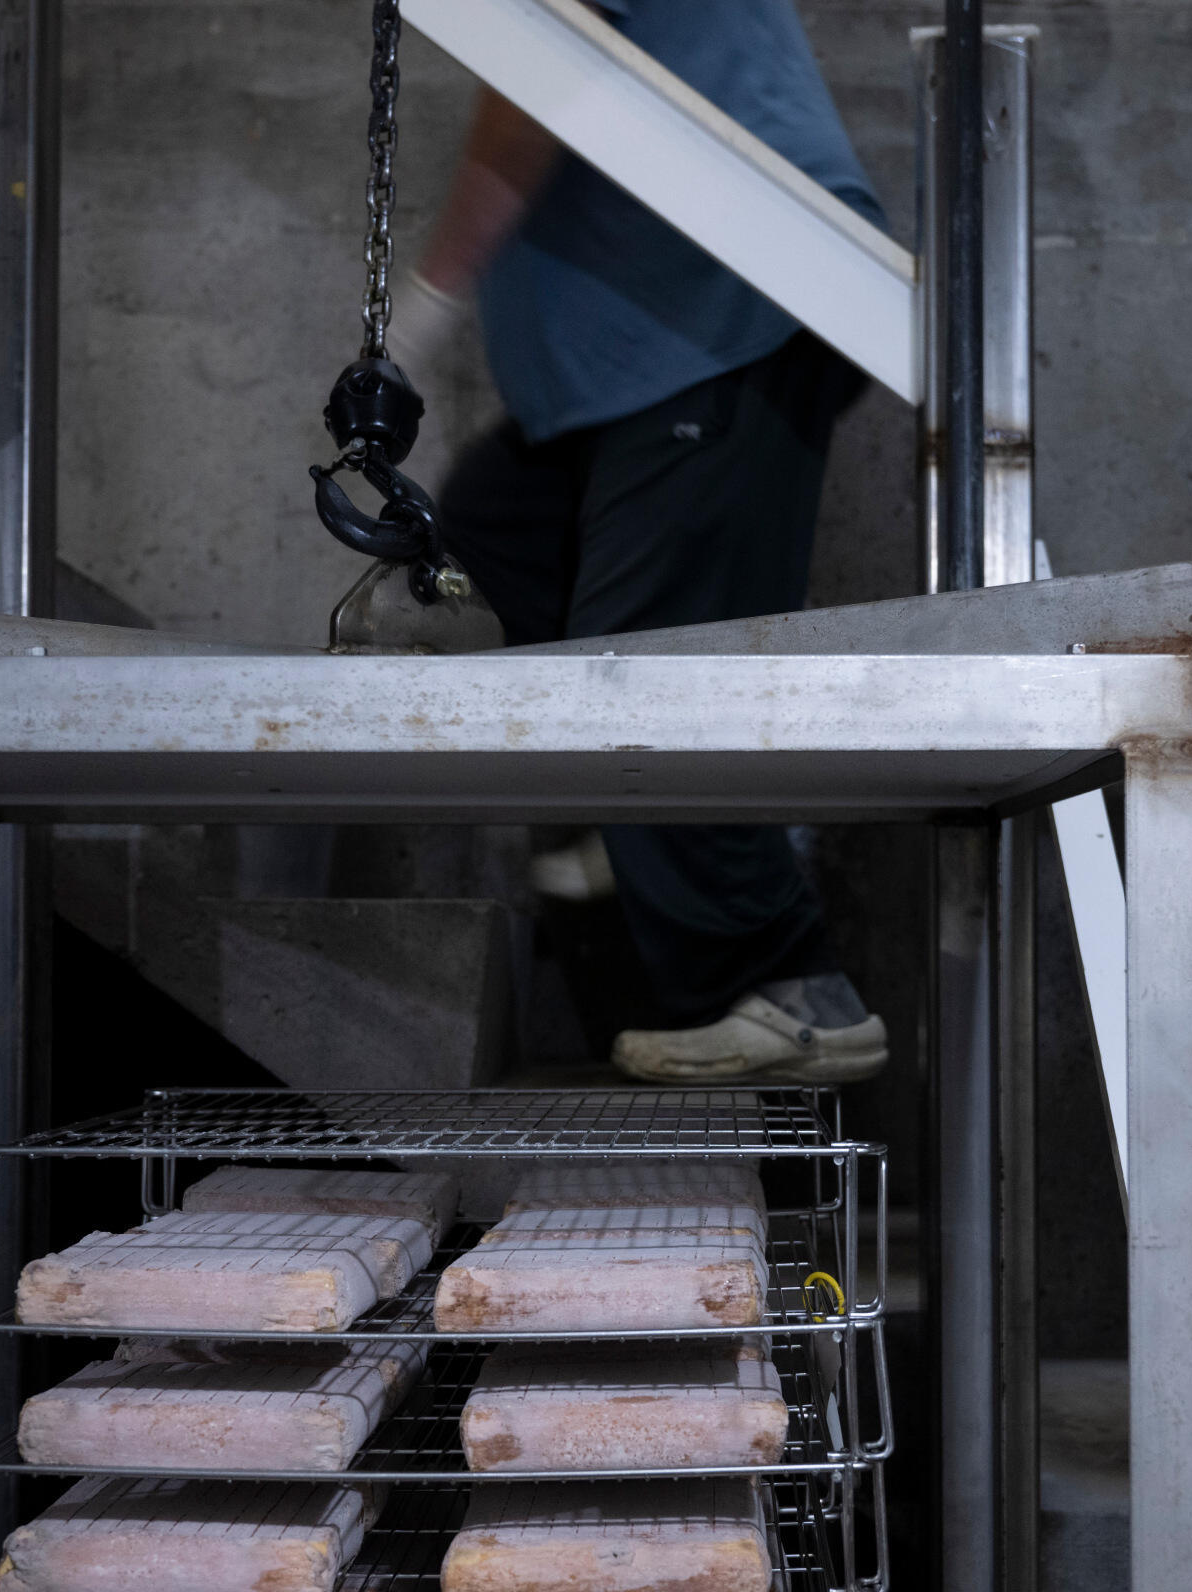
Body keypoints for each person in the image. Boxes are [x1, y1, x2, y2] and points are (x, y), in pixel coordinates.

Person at [387, 0, 887, 1085]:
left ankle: (796, 987)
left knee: (642, 660)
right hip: (635, 352)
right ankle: (609, 846)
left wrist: (420, 311)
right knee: (494, 528)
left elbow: (536, 80)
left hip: (724, 299)